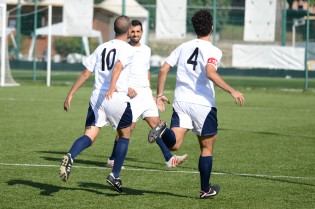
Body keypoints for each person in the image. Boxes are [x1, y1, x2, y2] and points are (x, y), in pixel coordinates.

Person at [148, 10, 245, 199]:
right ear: (211, 27)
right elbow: (210, 72)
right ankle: (205, 189)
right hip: (203, 104)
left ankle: (162, 129)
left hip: (181, 101)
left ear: (195, 28)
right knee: (206, 148)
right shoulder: (213, 50)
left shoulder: (183, 46)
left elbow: (163, 69)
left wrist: (159, 94)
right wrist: (232, 90)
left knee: (174, 144)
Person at [59, 15, 134, 193]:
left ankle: (70, 155)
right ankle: (114, 175)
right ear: (129, 30)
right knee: (124, 135)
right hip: (115, 97)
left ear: (115, 29)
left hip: (96, 99)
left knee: (89, 135)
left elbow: (86, 73)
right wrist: (113, 86)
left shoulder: (102, 47)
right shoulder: (128, 49)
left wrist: (70, 94)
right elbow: (117, 67)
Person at [107, 20, 187, 169]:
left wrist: (150, 93)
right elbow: (115, 71)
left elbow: (147, 71)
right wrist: (126, 87)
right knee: (127, 130)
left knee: (157, 127)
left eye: (138, 31)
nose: (135, 34)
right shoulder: (123, 49)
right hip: (131, 95)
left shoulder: (146, 50)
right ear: (128, 32)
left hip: (145, 94)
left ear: (142, 32)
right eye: (133, 31)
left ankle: (169, 159)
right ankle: (112, 159)